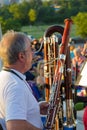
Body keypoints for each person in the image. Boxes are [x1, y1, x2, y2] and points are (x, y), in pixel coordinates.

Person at [0, 30, 48, 130]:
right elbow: (15, 126)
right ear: (21, 56)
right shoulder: (15, 86)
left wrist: (34, 109)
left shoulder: (5, 76)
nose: (33, 53)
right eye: (30, 49)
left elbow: (10, 112)